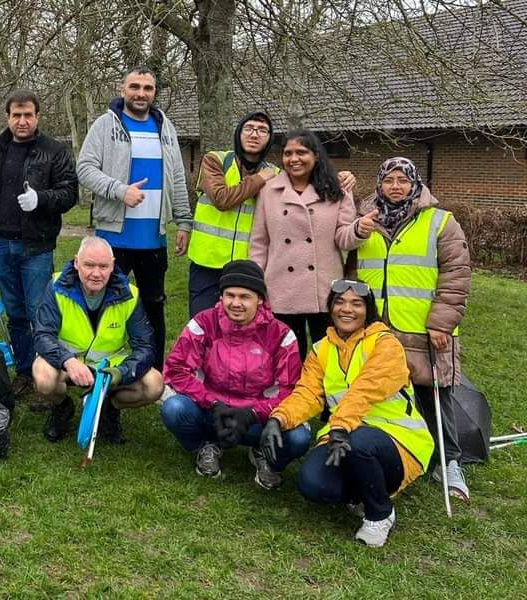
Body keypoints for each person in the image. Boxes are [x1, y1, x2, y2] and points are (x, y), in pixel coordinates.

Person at [261, 280, 434, 548]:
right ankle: (360, 494)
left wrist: (339, 428)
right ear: (330, 307)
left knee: (359, 443)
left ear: (369, 309)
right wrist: (278, 418)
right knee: (313, 484)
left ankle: (380, 514)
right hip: (345, 434)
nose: (347, 310)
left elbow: (365, 391)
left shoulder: (385, 344)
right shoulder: (321, 349)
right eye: (340, 302)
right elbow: (308, 393)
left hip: (396, 437)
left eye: (356, 304)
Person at [351, 157, 471, 501]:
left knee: (434, 395)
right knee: (382, 394)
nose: (395, 186)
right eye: (389, 180)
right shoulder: (366, 221)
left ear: (415, 184)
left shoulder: (440, 222)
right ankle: (399, 452)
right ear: (379, 183)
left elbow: (457, 275)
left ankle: (448, 462)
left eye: (403, 180)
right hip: (377, 327)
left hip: (424, 328)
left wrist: (442, 322)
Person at [77, 67, 193, 366]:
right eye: (135, 87)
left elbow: (177, 176)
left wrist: (183, 221)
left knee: (154, 306)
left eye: (148, 88)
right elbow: (85, 169)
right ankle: (95, 367)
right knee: (102, 304)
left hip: (153, 239)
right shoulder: (105, 125)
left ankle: (153, 372)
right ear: (122, 89)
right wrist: (119, 190)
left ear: (154, 93)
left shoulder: (165, 127)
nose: (141, 93)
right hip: (114, 238)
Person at [161, 259, 306, 488]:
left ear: (260, 299)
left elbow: (291, 389)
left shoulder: (281, 334)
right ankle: (205, 445)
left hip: (256, 418)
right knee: (174, 408)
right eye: (230, 295)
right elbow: (176, 370)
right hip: (212, 411)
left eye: (245, 296)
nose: (236, 303)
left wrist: (252, 414)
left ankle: (264, 453)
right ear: (221, 297)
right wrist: (214, 403)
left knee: (299, 437)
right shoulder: (203, 322)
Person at [0, 90, 79, 395]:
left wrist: (41, 199)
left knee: (39, 314)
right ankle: (23, 371)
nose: (22, 121)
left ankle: (44, 375)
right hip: (3, 244)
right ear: (8, 117)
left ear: (37, 117)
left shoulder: (54, 151)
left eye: (28, 115)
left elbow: (70, 192)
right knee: (15, 313)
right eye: (16, 116)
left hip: (36, 246)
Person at [32, 236, 163, 443]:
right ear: (76, 263)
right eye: (89, 265)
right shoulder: (56, 286)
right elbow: (42, 336)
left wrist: (121, 373)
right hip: (67, 361)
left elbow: (145, 346)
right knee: (43, 379)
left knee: (154, 385)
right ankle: (62, 406)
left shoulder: (130, 294)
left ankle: (109, 408)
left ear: (112, 266)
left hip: (110, 364)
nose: (96, 273)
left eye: (103, 266)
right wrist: (68, 360)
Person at [249, 129, 366, 359]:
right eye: (287, 153)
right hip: (280, 287)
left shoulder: (338, 189)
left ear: (316, 156)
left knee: (329, 356)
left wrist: (359, 230)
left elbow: (343, 238)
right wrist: (256, 284)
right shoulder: (269, 191)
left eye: (301, 152)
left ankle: (327, 395)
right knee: (288, 356)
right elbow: (259, 242)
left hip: (322, 289)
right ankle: (292, 395)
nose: (293, 159)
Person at [185, 112, 277, 317]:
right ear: (238, 133)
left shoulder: (275, 174)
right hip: (207, 262)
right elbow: (221, 199)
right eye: (249, 128)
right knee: (203, 323)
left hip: (246, 265)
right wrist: (260, 179)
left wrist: (341, 178)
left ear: (270, 138)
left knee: (240, 328)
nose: (255, 134)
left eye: (262, 130)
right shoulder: (215, 160)